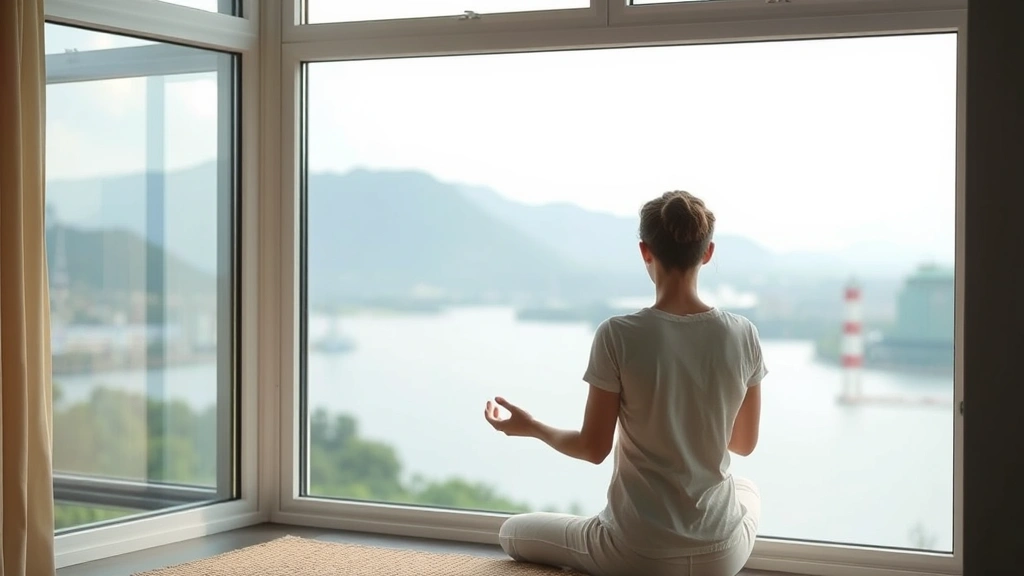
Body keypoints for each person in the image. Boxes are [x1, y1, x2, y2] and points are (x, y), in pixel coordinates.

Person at [484, 190, 766, 576]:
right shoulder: (743, 333)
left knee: (511, 532)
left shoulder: (618, 335)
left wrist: (531, 427)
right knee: (746, 490)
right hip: (721, 557)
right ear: (707, 253)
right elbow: (743, 443)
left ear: (645, 251)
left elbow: (592, 448)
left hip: (635, 555)